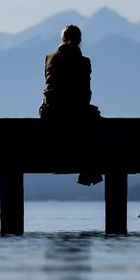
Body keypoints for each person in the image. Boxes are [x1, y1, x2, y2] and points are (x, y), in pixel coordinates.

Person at [40, 23, 103, 186]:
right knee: (96, 125)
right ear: (80, 41)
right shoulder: (83, 62)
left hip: (50, 113)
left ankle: (89, 173)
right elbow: (85, 94)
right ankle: (89, 173)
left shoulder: (49, 57)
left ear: (62, 39)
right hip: (74, 113)